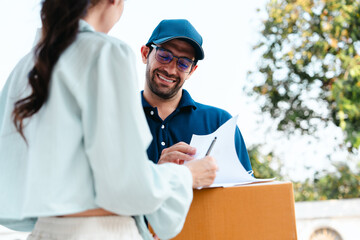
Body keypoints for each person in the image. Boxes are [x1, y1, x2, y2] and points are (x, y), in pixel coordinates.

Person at [0, 1, 217, 240]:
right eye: (165, 55)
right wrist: (188, 176)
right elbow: (128, 187)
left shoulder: (24, 67)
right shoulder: (106, 52)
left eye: (184, 62)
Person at [140, 19, 252, 172]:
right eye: (164, 55)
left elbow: (245, 194)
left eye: (184, 63)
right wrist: (159, 176)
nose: (171, 70)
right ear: (145, 54)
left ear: (192, 71)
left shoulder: (220, 124)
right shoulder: (114, 118)